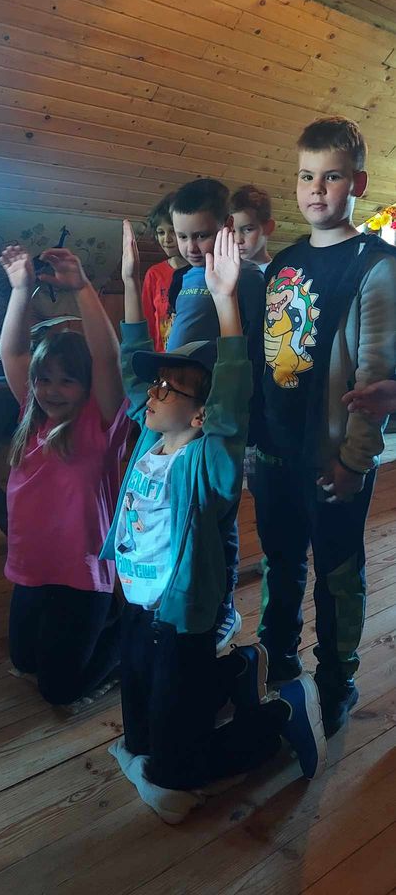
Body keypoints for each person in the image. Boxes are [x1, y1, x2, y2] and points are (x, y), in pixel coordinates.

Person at [102, 222, 326, 823]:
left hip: (182, 617)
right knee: (139, 734)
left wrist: (227, 302)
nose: (153, 394)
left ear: (200, 414)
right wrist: (129, 283)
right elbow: (132, 370)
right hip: (138, 606)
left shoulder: (208, 463)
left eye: (170, 388)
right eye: (156, 385)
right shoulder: (150, 437)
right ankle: (233, 672)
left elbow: (231, 408)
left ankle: (277, 716)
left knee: (174, 772)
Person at [254, 116, 396, 737]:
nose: (316, 189)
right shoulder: (283, 263)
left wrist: (355, 460)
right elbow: (266, 361)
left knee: (336, 573)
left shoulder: (377, 266)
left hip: (333, 456)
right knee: (280, 564)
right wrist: (256, 443)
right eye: (306, 176)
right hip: (275, 453)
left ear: (357, 183)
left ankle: (336, 680)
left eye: (331, 177)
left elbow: (374, 379)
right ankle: (277, 660)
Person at [0, 244, 129, 707]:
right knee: (24, 662)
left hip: (81, 577)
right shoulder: (31, 416)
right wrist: (20, 289)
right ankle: (98, 627)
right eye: (44, 378)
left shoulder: (101, 422)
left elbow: (107, 359)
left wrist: (81, 288)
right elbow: (12, 350)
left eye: (67, 380)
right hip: (35, 569)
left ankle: (131, 630)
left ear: (87, 385)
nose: (52, 390)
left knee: (60, 691)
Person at [166, 178, 266, 652]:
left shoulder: (248, 280)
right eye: (182, 236)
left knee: (219, 517)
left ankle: (223, 608)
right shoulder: (185, 278)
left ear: (226, 227)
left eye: (201, 235)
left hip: (220, 417)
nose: (190, 247)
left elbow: (254, 351)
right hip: (181, 418)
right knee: (185, 511)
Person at [141, 193, 188, 352]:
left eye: (172, 232)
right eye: (161, 232)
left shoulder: (199, 272)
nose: (167, 239)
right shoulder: (154, 274)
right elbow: (147, 318)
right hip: (161, 356)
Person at [230, 184, 275, 273]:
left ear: (269, 227)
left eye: (248, 229)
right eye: (233, 231)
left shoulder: (280, 273)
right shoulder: (223, 272)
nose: (238, 240)